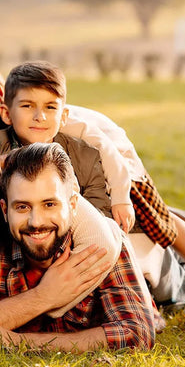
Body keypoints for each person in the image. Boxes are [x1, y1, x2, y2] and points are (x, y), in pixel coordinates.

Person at [0, 61, 185, 322]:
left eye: (48, 108)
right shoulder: (9, 138)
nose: (39, 116)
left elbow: (108, 165)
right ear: (7, 112)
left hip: (121, 180)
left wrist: (121, 199)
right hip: (73, 219)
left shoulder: (78, 137)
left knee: (162, 241)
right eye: (27, 107)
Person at [0, 143, 156, 352]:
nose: (35, 222)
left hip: (153, 260)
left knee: (178, 276)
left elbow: (136, 334)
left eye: (49, 204)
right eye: (22, 207)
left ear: (73, 204)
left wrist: (18, 342)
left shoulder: (101, 242)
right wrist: (44, 296)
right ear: (4, 210)